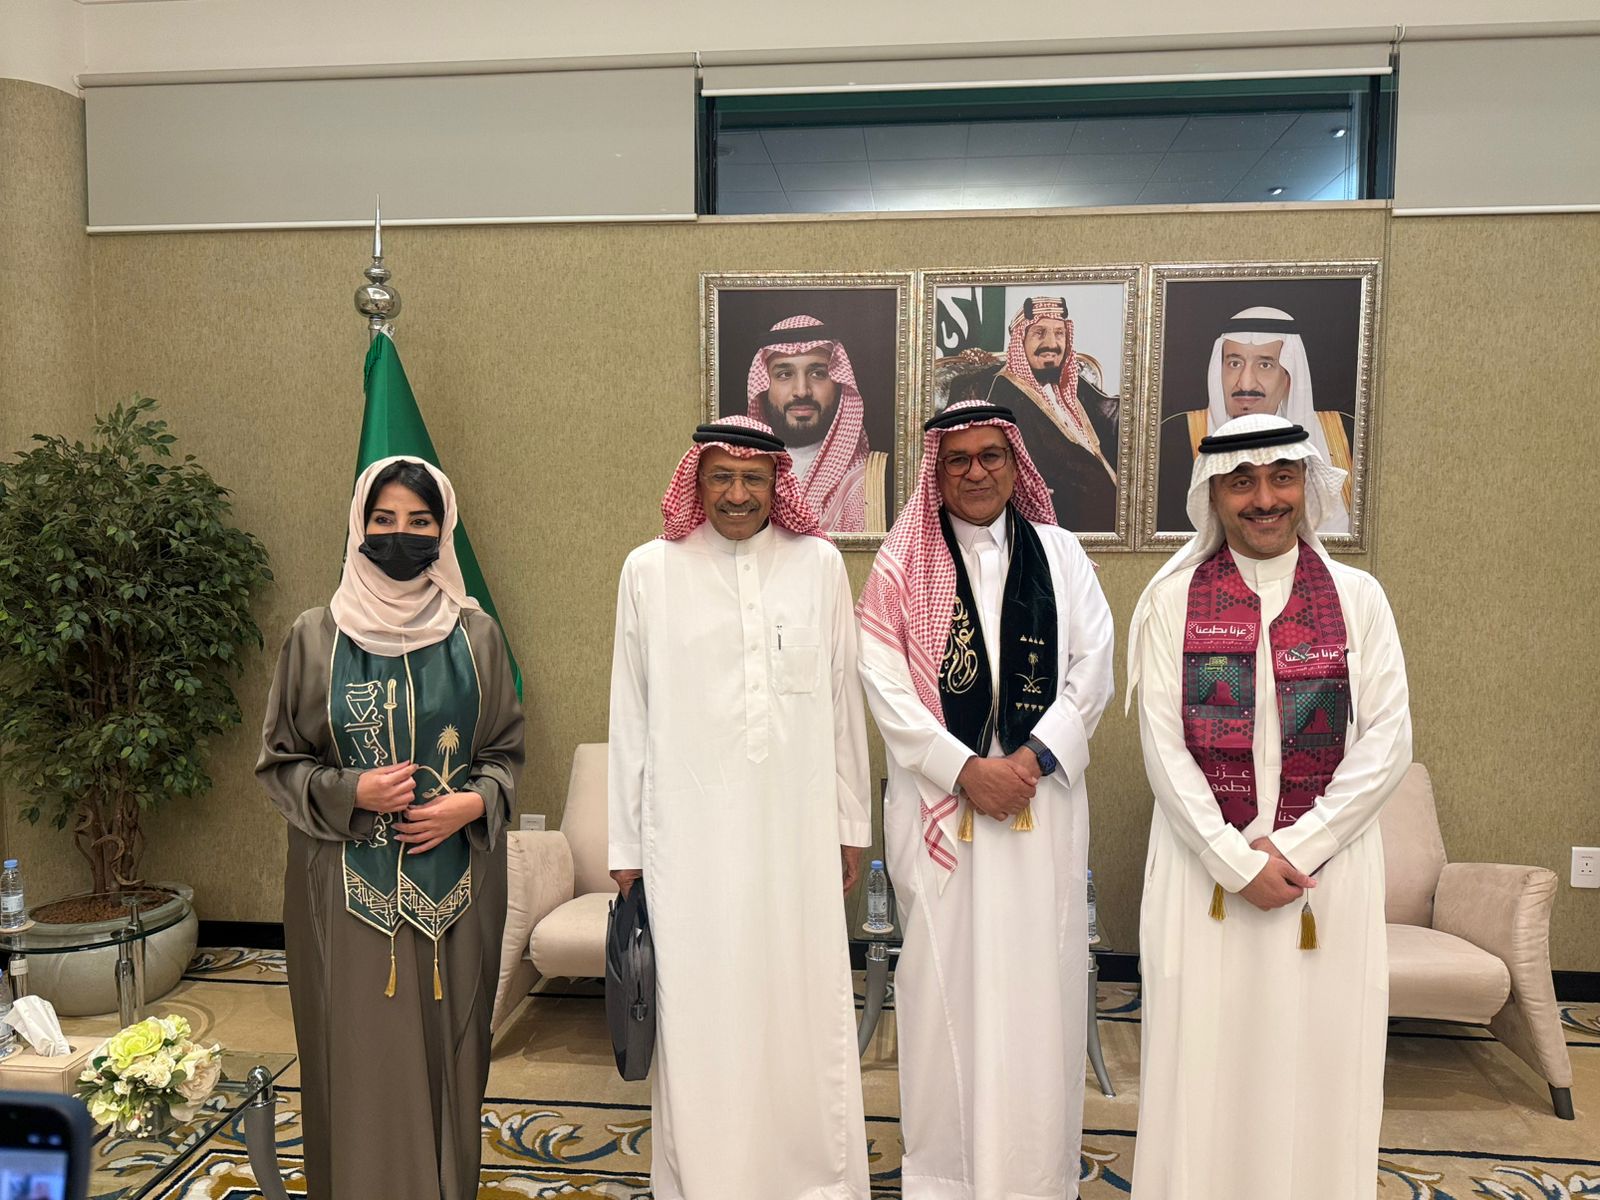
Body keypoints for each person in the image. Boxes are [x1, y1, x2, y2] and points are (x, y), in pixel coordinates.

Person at [1126, 413, 1412, 1199]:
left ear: (1306, 486)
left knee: (1321, 1061)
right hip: (1203, 876)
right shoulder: (1170, 602)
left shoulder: (1358, 598)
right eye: (1241, 482)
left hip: (1324, 877)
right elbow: (1163, 748)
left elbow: (1389, 740)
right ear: (1212, 496)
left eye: (1282, 478)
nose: (1264, 499)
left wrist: (1296, 846)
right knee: (1204, 1061)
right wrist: (1231, 858)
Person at [856, 399, 1115, 1199]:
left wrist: (1030, 759)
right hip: (944, 812)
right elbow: (883, 685)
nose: (975, 472)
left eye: (990, 457)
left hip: (1041, 809)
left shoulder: (1062, 555)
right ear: (936, 471)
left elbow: (1094, 669)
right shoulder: (902, 565)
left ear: (1014, 464)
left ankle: (1036, 1177)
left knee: (1041, 990)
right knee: (945, 993)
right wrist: (966, 770)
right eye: (958, 459)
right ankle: (946, 1177)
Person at [607, 416, 871, 1200]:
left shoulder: (819, 566)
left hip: (796, 836)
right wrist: (626, 846)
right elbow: (630, 712)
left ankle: (812, 1181)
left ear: (778, 484)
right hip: (689, 843)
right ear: (695, 480)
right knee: (703, 1015)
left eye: (753, 478)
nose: (736, 494)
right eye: (720, 476)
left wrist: (850, 823)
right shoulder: (649, 571)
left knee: (802, 1007)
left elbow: (841, 702)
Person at [257, 456, 523, 1200]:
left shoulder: (477, 636)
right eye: (383, 520)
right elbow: (279, 765)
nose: (400, 535)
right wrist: (354, 790)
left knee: (451, 1059)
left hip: (457, 893)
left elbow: (505, 753)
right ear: (358, 526)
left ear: (444, 531)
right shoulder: (314, 637)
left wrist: (473, 803)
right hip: (345, 896)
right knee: (356, 1059)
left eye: (419, 522)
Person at [1157, 306, 1355, 534]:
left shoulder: (1344, 433)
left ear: (1289, 377)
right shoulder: (1174, 438)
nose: (1246, 383)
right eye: (1234, 363)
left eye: (1265, 365)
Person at [984, 296, 1120, 531]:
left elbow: (1111, 415)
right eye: (1039, 333)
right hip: (1059, 516)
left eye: (1059, 333)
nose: (1052, 344)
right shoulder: (1003, 393)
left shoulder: (1074, 385)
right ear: (1020, 341)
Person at [747, 313, 891, 532]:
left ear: (839, 383)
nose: (802, 391)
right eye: (784, 374)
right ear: (764, 387)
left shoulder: (873, 480)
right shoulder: (740, 478)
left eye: (817, 373)